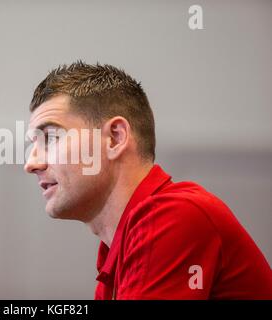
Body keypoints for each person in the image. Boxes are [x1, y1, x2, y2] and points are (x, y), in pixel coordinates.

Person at [24, 61, 272, 299]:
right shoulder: (115, 249)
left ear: (114, 138)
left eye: (51, 137)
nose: (31, 164)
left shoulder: (175, 215)